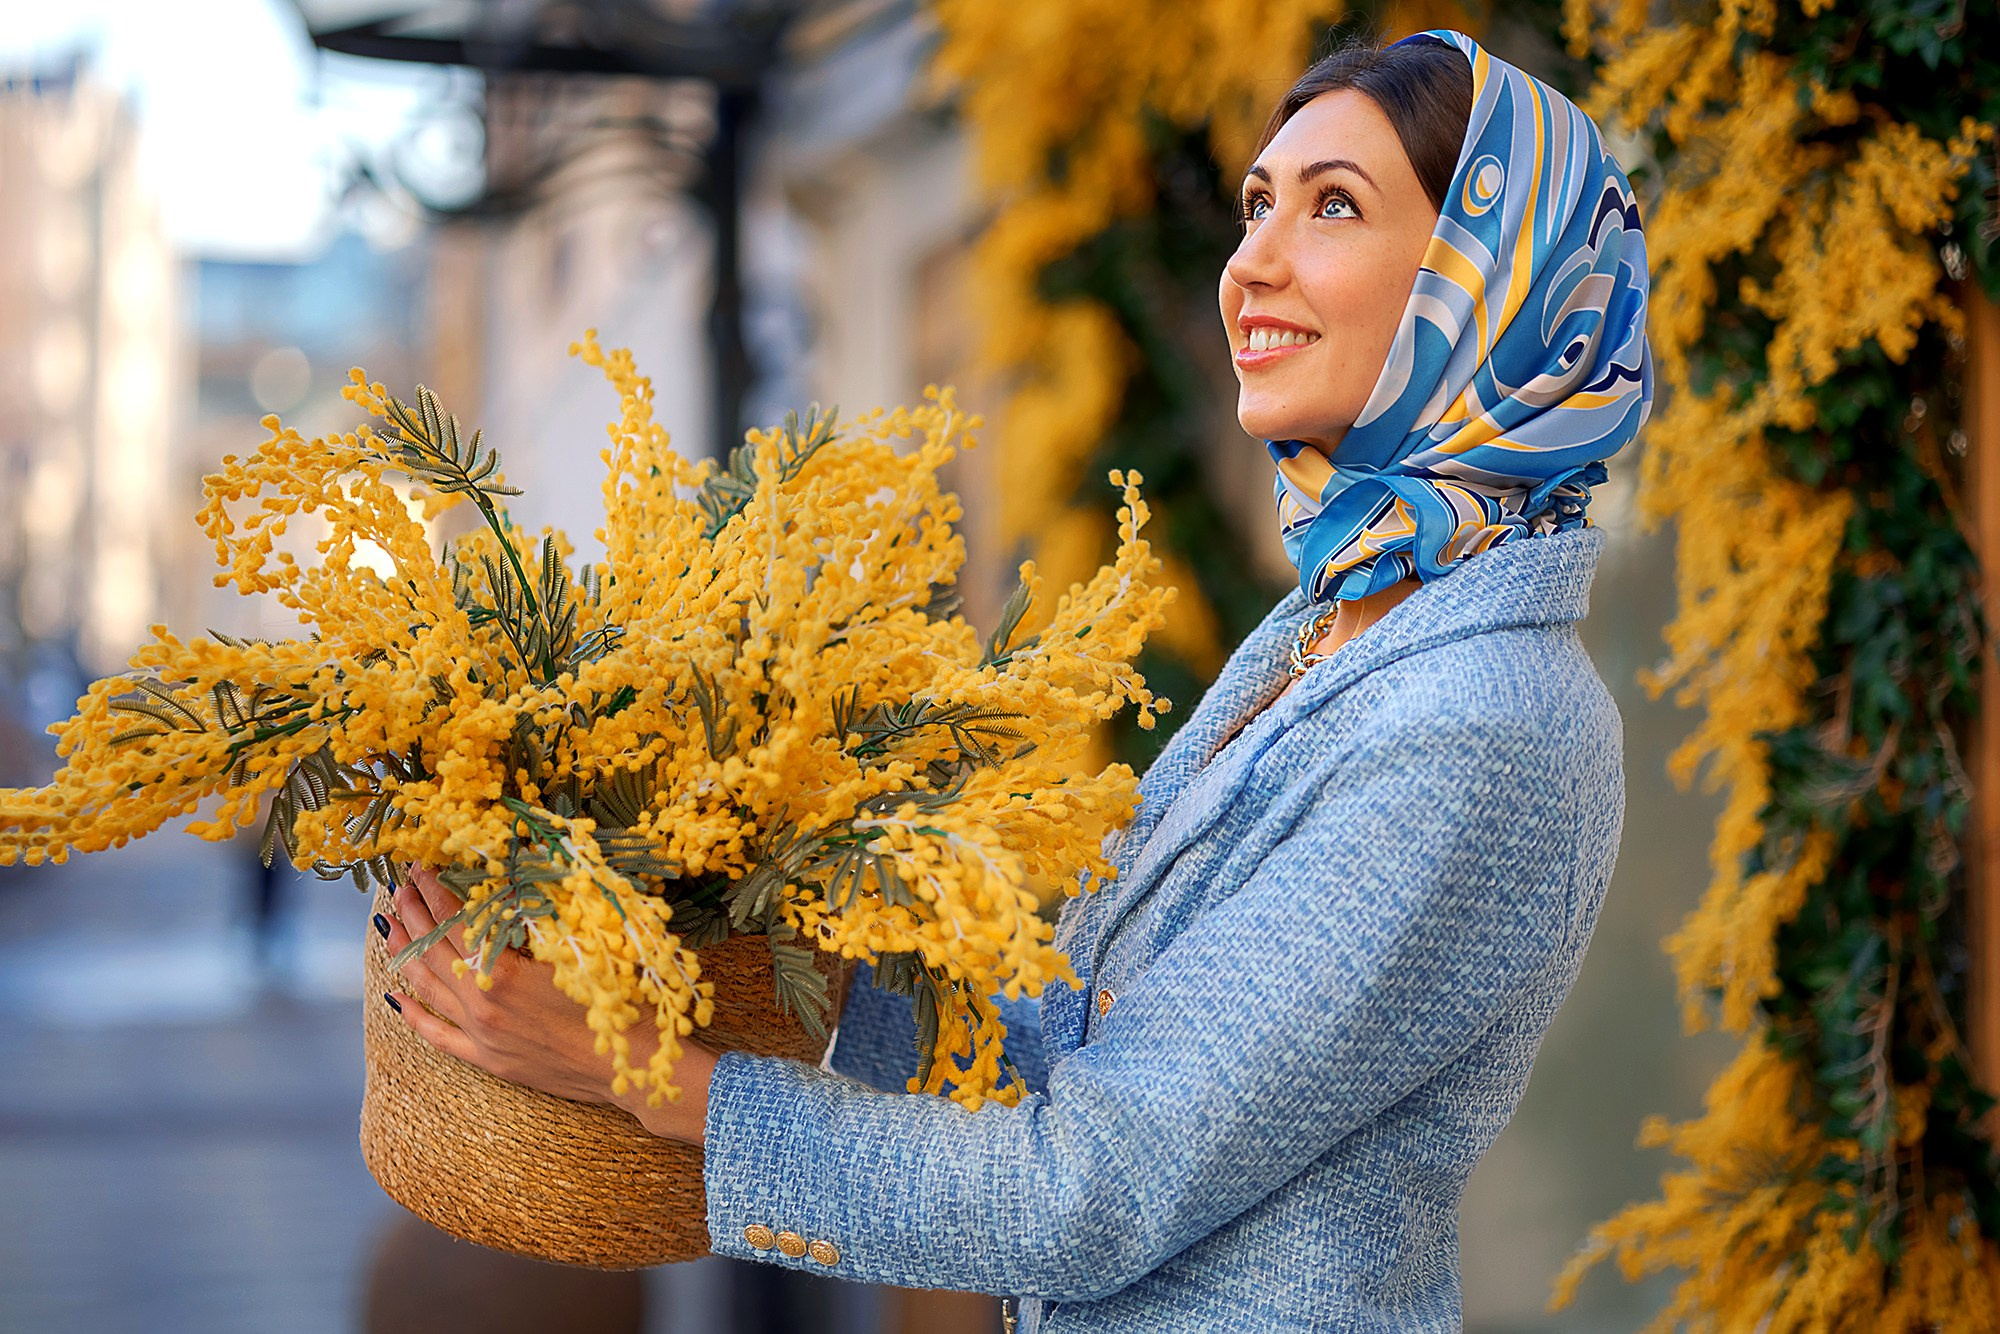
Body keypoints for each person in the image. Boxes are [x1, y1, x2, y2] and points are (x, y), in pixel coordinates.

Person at [377, 28, 1652, 1332]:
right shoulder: (1328, 638)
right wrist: (768, 967)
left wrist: (647, 1073)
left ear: (1499, 286)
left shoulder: (1479, 722)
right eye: (1257, 203)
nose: (1253, 263)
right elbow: (1062, 1051)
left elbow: (1090, 1185)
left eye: (1335, 205)